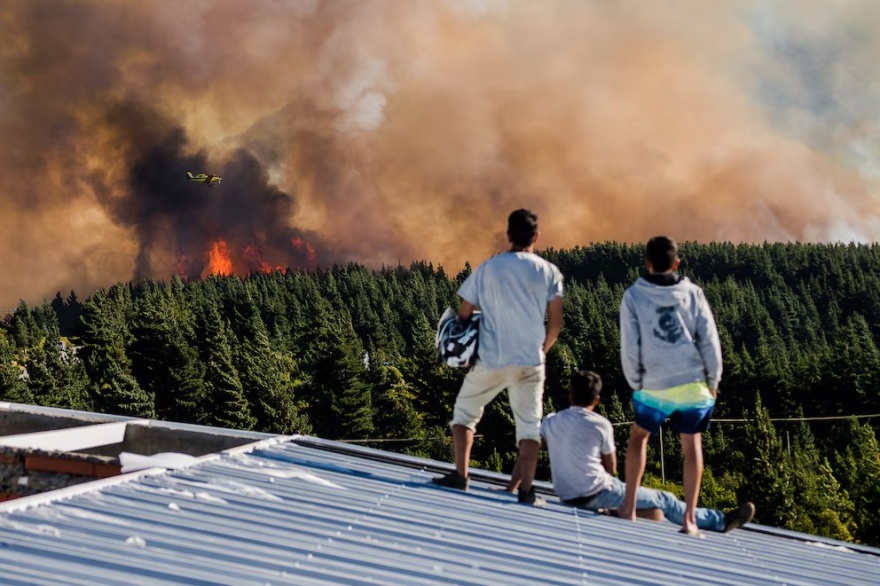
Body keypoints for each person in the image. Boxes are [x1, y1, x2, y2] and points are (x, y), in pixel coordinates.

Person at [432, 208, 564, 505]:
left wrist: (467, 328)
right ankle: (527, 492)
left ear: (508, 235)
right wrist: (542, 350)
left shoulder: (489, 268)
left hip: (492, 357)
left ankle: (461, 476)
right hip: (530, 360)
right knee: (530, 426)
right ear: (537, 237)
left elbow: (464, 311)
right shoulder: (548, 271)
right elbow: (555, 322)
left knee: (464, 414)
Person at [541, 370, 755, 534]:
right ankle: (719, 521)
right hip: (597, 492)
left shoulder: (550, 422)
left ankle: (618, 512)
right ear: (596, 399)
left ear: (570, 395)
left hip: (566, 494)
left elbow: (538, 444)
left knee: (655, 512)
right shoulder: (600, 425)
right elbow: (611, 467)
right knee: (666, 499)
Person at [616, 236, 727, 535]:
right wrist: (713, 380)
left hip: (655, 382)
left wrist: (634, 380)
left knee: (639, 438)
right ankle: (690, 519)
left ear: (647, 263)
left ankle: (628, 507)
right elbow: (709, 339)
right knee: (692, 446)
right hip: (694, 383)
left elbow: (629, 344)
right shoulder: (693, 293)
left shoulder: (634, 296)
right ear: (677, 263)